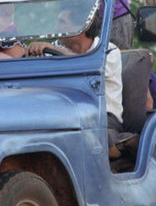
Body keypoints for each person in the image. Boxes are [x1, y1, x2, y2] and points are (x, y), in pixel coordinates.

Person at [26, 10, 125, 158]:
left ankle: (114, 158)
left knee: (87, 132)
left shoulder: (109, 51)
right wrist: (31, 53)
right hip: (63, 114)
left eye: (62, 23)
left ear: (83, 27)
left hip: (103, 116)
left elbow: (92, 66)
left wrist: (56, 50)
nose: (57, 28)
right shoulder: (53, 49)